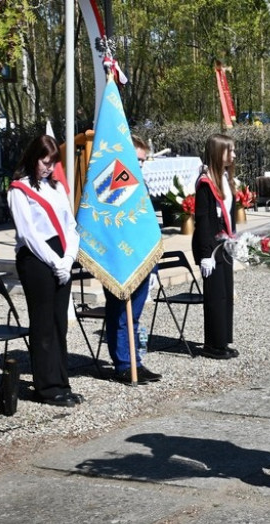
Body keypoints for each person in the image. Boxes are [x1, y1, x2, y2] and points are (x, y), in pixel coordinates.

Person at [7, 134, 82, 407]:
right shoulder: (19, 189)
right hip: (36, 260)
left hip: (61, 255)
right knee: (43, 325)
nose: (49, 167)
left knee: (59, 323)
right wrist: (55, 262)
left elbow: (70, 226)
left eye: (53, 162)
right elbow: (28, 234)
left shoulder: (57, 187)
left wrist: (69, 258)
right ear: (32, 157)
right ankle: (47, 388)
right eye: (44, 161)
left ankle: (62, 381)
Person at [102, 135, 163, 384]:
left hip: (140, 259)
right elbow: (108, 225)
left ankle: (136, 361)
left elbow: (147, 228)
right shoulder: (110, 186)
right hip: (120, 261)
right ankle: (123, 364)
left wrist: (154, 264)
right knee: (120, 315)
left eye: (143, 161)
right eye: (137, 160)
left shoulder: (141, 187)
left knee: (134, 316)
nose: (141, 165)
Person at [192, 133, 239, 360]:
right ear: (217, 152)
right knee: (215, 297)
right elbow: (203, 221)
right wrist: (205, 254)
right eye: (229, 150)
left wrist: (236, 239)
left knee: (226, 294)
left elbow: (229, 213)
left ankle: (223, 341)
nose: (234, 154)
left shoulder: (225, 178)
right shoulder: (205, 182)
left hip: (225, 244)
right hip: (211, 247)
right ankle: (212, 344)